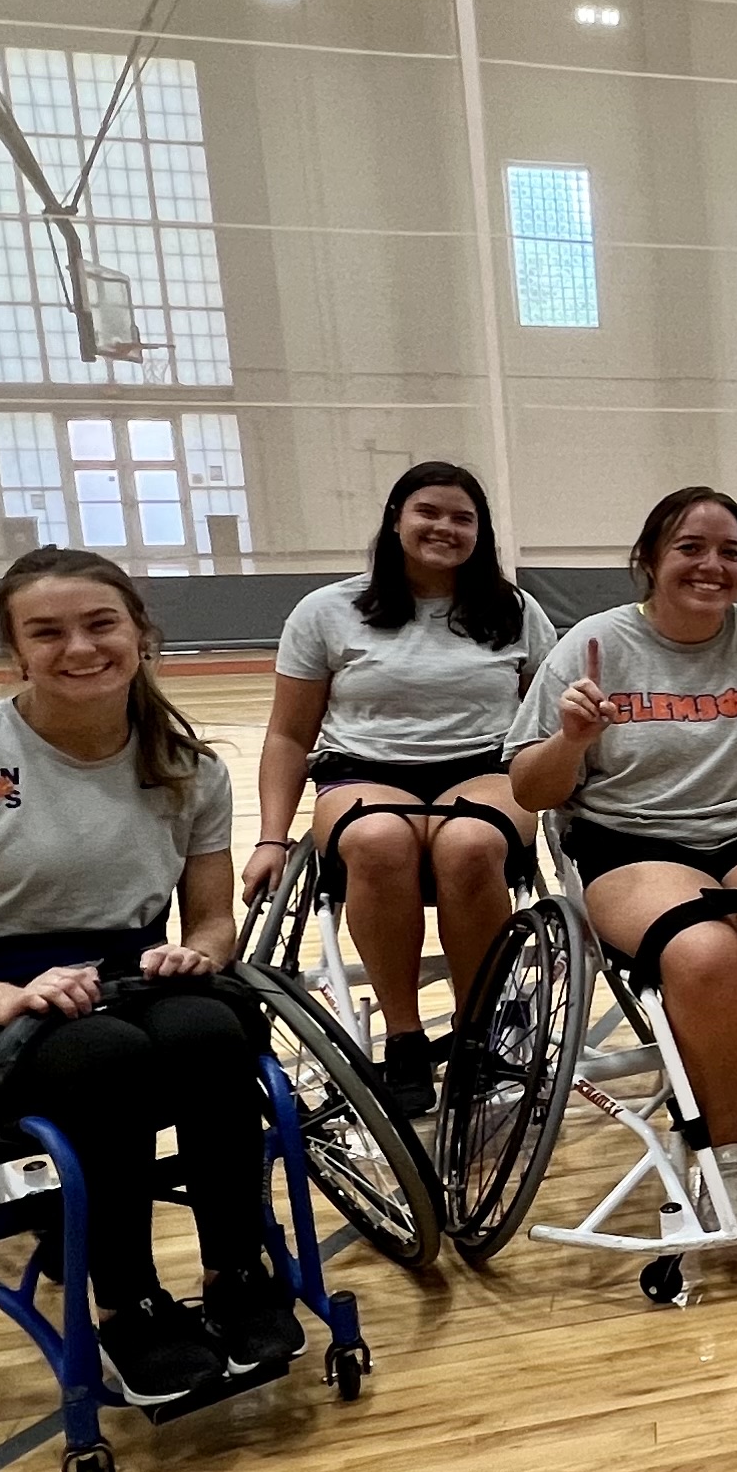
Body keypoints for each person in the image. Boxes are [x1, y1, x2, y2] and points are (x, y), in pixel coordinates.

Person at [0, 549, 274, 1410]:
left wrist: (199, 952)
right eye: (48, 632)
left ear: (142, 634)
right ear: (14, 652)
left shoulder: (190, 765)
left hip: (131, 973)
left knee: (214, 1031)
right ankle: (126, 1299)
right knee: (103, 1059)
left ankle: (239, 1270)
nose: (79, 647)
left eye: (100, 624)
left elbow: (213, 921)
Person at [511, 486, 737, 1213]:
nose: (712, 565)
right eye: (690, 549)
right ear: (648, 560)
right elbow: (529, 788)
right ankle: (723, 1142)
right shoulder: (591, 647)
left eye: (730, 552)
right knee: (705, 954)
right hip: (631, 840)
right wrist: (571, 740)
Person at [247, 461, 552, 1117]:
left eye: (462, 518)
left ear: (482, 532)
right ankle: (404, 1036)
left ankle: (476, 1035)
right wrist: (271, 838)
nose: (445, 527)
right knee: (379, 840)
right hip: (364, 770)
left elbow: (546, 725)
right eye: (429, 513)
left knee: (469, 845)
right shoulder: (327, 611)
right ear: (395, 520)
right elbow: (288, 737)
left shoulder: (515, 611)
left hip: (484, 768)